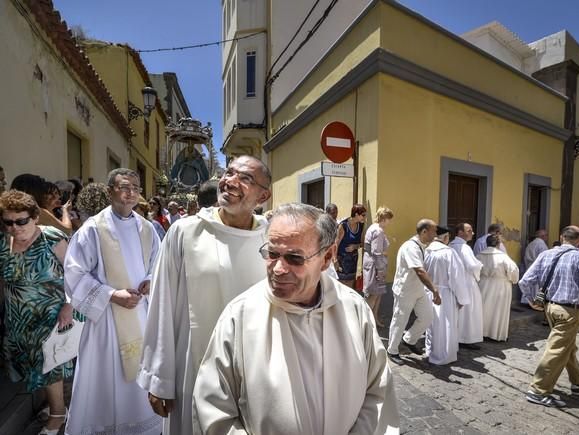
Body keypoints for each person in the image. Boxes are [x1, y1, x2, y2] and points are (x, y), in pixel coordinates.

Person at [192, 203, 399, 434]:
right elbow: (214, 408)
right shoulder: (239, 315)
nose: (278, 269)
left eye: (294, 258)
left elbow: (377, 391)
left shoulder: (354, 308)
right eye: (272, 254)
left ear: (327, 257)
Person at [138, 156, 272, 435]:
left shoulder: (271, 238)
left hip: (256, 366)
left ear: (264, 195)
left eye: (245, 178)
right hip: (193, 364)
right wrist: (159, 378)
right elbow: (162, 304)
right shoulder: (184, 232)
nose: (231, 181)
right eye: (229, 172)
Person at [64, 168, 162, 434]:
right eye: (124, 187)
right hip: (106, 319)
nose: (131, 193)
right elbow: (74, 272)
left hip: (139, 313)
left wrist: (151, 279)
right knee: (106, 376)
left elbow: (159, 263)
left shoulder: (147, 228)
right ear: (110, 192)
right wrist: (111, 295)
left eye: (136, 188)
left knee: (138, 374)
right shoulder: (93, 229)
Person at [0, 190, 77, 434]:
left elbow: (76, 276)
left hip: (51, 315)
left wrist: (69, 305)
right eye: (8, 222)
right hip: (18, 318)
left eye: (21, 221)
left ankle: (57, 416)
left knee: (49, 365)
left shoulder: (51, 238)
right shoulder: (3, 243)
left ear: (35, 217)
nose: (15, 227)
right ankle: (57, 405)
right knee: (33, 365)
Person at [519, 225, 579, 408]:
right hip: (570, 311)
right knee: (556, 350)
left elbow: (525, 281)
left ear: (562, 237)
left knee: (566, 347)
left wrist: (531, 300)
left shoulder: (546, 254)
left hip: (550, 308)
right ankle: (537, 391)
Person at [387, 219, 441, 366]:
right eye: (434, 231)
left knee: (427, 316)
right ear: (424, 232)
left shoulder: (422, 246)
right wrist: (434, 289)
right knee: (400, 320)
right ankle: (392, 350)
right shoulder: (411, 247)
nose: (436, 234)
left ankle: (409, 339)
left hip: (418, 289)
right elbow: (419, 270)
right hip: (405, 289)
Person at [423, 226, 468, 365]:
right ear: (446, 238)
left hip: (428, 292)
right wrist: (462, 298)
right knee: (446, 325)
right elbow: (457, 277)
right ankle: (444, 355)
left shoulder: (427, 251)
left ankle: (430, 351)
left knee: (432, 324)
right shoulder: (449, 253)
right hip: (445, 294)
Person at [477, 235, 519, 341]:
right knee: (498, 310)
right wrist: (513, 280)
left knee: (484, 309)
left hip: (483, 285)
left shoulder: (479, 255)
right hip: (500, 286)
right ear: (498, 244)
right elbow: (513, 270)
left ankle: (481, 332)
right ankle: (495, 335)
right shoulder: (503, 256)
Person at [449, 223, 484, 349]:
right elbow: (472, 266)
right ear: (460, 232)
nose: (472, 233)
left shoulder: (450, 245)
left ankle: (456, 336)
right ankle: (466, 338)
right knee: (469, 311)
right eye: (469, 230)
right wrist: (480, 265)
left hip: (454, 283)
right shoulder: (464, 248)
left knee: (458, 312)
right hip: (467, 283)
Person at [363, 207, 394, 326]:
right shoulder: (378, 230)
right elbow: (377, 252)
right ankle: (366, 322)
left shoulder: (372, 227)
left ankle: (373, 319)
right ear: (384, 219)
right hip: (376, 266)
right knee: (373, 295)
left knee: (376, 294)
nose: (389, 222)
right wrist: (380, 269)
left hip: (371, 263)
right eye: (389, 219)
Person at [336, 204, 366, 288]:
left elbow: (362, 244)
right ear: (356, 214)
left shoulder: (361, 226)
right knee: (342, 285)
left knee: (351, 285)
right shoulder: (344, 225)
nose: (364, 217)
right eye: (363, 215)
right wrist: (335, 260)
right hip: (342, 260)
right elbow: (336, 243)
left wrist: (355, 247)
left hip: (353, 260)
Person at [522, 229, 549, 303]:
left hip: (529, 266)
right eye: (546, 235)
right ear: (543, 236)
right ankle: (535, 302)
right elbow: (544, 258)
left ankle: (527, 301)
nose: (547, 237)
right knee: (536, 287)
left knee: (530, 285)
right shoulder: (542, 244)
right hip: (537, 267)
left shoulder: (531, 244)